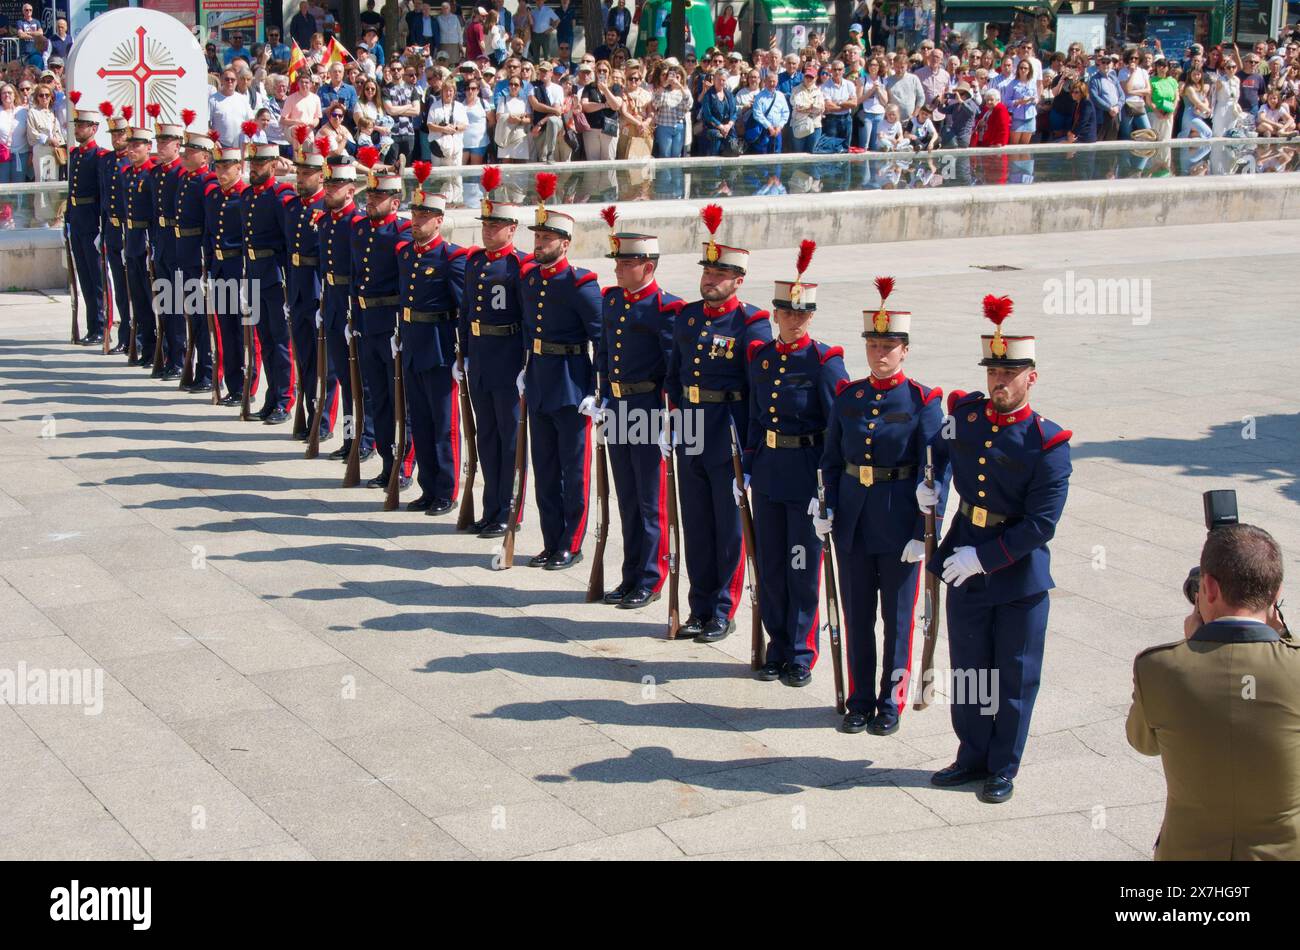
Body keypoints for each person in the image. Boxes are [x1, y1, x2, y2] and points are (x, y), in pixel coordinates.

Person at [919, 295, 1072, 805]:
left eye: (1011, 372)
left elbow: (1040, 526)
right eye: (993, 371)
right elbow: (939, 449)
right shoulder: (966, 415)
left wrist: (982, 559)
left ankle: (1002, 766)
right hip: (964, 553)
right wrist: (932, 487)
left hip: (1015, 575)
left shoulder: (1048, 444)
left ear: (1032, 376)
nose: (999, 382)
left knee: (1013, 675)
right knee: (968, 669)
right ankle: (971, 756)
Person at [1126, 524, 1299, 860]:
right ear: (1276, 594)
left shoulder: (1159, 668)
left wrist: (1192, 646)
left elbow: (1143, 742)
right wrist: (1284, 637)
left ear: (1207, 586)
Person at [818, 279, 944, 731]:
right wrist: (826, 505)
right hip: (852, 521)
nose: (880, 353)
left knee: (897, 619)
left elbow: (935, 471)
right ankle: (858, 699)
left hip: (898, 524)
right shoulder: (849, 397)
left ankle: (890, 703)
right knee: (856, 615)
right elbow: (832, 460)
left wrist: (923, 530)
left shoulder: (923, 400)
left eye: (889, 345)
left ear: (905, 350)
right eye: (873, 345)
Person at [662, 208, 772, 643]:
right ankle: (698, 605)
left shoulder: (751, 323)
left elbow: (758, 391)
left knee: (728, 527)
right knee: (695, 524)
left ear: (738, 280)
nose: (710, 279)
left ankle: (722, 609)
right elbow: (675, 373)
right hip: (690, 427)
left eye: (720, 273)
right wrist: (669, 419)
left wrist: (748, 447)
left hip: (726, 433)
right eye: (707, 271)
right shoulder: (688, 317)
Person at [740, 246, 847, 687]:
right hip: (767, 473)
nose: (795, 320)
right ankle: (777, 644)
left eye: (803, 313)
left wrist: (830, 487)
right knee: (770, 565)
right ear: (776, 314)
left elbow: (838, 428)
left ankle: (802, 650)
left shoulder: (825, 362)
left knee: (802, 567)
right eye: (788, 312)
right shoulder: (762, 358)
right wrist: (746, 466)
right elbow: (752, 415)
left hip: (805, 475)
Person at [592, 219, 681, 608]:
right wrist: (599, 399)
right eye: (617, 262)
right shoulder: (611, 300)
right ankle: (630, 575)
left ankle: (650, 576)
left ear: (647, 266)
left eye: (626, 263)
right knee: (626, 496)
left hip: (646, 409)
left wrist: (669, 417)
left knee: (649, 501)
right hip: (616, 407)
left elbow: (671, 370)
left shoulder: (666, 308)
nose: (617, 268)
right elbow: (605, 353)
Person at [516, 179, 602, 570]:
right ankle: (551, 541)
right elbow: (527, 329)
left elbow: (602, 339)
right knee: (546, 470)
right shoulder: (531, 278)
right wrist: (525, 369)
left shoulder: (580, 284)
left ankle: (572, 541)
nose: (540, 243)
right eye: (538, 236)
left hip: (571, 386)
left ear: (565, 243)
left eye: (548, 237)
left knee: (573, 469)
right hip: (539, 382)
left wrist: (595, 388)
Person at [457, 175, 528, 536]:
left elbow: (530, 320)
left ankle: (509, 509)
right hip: (481, 360)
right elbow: (466, 312)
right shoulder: (474, 263)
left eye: (496, 225)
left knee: (510, 439)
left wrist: (526, 365)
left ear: (512, 229)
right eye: (486, 224)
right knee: (486, 437)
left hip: (508, 359)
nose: (488, 231)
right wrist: (464, 355)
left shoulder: (520, 266)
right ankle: (490, 507)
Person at [394, 165, 467, 514]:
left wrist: (461, 353)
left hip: (439, 350)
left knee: (444, 425)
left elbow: (463, 310)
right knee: (419, 422)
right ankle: (427, 486)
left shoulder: (451, 258)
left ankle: (447, 489)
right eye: (414, 214)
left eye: (424, 216)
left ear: (439, 220)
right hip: (412, 346)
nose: (416, 221)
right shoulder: (406, 255)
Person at [318, 155, 373, 462]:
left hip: (353, 306)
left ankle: (366, 439)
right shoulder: (325, 221)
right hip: (333, 304)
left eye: (335, 184)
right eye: (327, 183)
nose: (328, 189)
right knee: (343, 376)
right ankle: (350, 436)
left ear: (351, 190)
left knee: (361, 379)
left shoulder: (357, 224)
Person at [240, 143, 296, 424]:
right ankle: (272, 396)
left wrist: (287, 280)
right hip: (254, 273)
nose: (254, 168)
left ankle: (285, 399)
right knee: (265, 339)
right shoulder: (249, 195)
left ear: (273, 166)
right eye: (252, 163)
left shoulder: (280, 196)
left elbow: (288, 242)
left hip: (275, 276)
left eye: (260, 164)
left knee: (281, 340)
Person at [282, 136, 328, 441]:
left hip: (318, 292)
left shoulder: (325, 208)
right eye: (298, 174)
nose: (300, 179)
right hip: (298, 289)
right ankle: (309, 411)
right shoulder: (293, 207)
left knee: (327, 365)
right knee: (304, 358)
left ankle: (322, 420)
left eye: (306, 174)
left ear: (320, 176)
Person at [172, 125, 218, 394]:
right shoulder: (187, 179)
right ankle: (199, 368)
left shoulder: (206, 183)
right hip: (185, 254)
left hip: (199, 258)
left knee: (204, 318)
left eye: (192, 151)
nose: (186, 155)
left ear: (205, 156)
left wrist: (206, 260)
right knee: (193, 316)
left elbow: (209, 226)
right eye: (186, 150)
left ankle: (208, 371)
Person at [66, 102, 108, 346]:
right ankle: (92, 326)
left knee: (95, 278)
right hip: (78, 220)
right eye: (77, 125)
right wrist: (69, 219)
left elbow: (102, 193)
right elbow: (71, 189)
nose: (78, 129)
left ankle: (100, 326)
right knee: (83, 276)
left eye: (82, 125)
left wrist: (101, 226)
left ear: (94, 128)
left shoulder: (98, 156)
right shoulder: (75, 154)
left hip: (92, 221)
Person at [149, 117, 186, 380]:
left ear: (177, 145)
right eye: (159, 141)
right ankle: (170, 356)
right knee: (165, 304)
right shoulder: (156, 173)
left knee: (177, 303)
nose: (160, 146)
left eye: (166, 142)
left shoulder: (180, 174)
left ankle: (180, 357)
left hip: (176, 245)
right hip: (161, 243)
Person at [121, 125, 158, 366]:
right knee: (139, 300)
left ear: (148, 148)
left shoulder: (152, 175)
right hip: (132, 240)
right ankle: (147, 348)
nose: (132, 149)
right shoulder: (128, 174)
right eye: (130, 145)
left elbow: (157, 212)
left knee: (153, 298)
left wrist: (151, 245)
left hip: (146, 241)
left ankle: (160, 349)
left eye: (137, 145)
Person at [581, 61, 623, 161]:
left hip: (610, 128)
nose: (602, 73)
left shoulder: (615, 87)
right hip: (592, 129)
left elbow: (616, 106)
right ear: (596, 72)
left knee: (608, 161)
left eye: (605, 70)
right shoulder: (589, 87)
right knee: (592, 161)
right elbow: (585, 106)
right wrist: (604, 105)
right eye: (599, 70)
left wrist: (605, 90)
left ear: (609, 72)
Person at [652, 64, 692, 157]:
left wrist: (680, 86)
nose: (674, 79)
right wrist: (665, 84)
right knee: (665, 155)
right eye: (671, 76)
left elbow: (689, 105)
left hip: (679, 127)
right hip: (664, 126)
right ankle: (665, 172)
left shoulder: (685, 90)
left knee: (676, 155)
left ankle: (675, 172)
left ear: (681, 78)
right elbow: (655, 103)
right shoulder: (663, 90)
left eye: (677, 77)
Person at [24, 83, 61, 182]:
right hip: (40, 149)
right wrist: (49, 140)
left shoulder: (52, 113)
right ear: (37, 97)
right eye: (41, 95)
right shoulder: (33, 112)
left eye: (47, 95)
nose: (44, 97)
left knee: (53, 181)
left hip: (53, 151)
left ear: (51, 97)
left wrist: (58, 140)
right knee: (41, 181)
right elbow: (32, 133)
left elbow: (57, 132)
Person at [745, 70, 789, 155]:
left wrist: (780, 127)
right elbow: (757, 114)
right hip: (763, 132)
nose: (772, 84)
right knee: (763, 159)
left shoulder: (780, 96)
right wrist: (769, 127)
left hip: (777, 132)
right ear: (765, 82)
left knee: (777, 157)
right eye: (770, 81)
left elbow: (785, 113)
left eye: (774, 81)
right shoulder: (759, 96)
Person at [426, 80, 468, 166]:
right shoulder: (434, 106)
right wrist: (443, 129)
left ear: (454, 92)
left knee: (456, 178)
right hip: (438, 150)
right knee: (437, 178)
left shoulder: (460, 107)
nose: (448, 93)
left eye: (450, 91)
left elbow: (465, 125)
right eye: (445, 90)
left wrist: (454, 128)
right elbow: (429, 124)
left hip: (455, 151)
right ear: (442, 92)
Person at [209, 69, 253, 147]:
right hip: (220, 145)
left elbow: (250, 121)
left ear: (237, 82)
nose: (230, 81)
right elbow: (207, 124)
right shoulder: (212, 100)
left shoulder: (243, 99)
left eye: (233, 79)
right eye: (227, 79)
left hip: (241, 146)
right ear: (221, 80)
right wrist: (214, 140)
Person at [699, 68, 737, 156]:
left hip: (728, 128)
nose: (721, 82)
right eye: (718, 79)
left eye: (723, 80)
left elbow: (734, 113)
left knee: (733, 143)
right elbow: (708, 115)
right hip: (712, 128)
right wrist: (721, 127)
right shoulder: (708, 95)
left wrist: (728, 125)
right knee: (716, 137)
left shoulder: (729, 95)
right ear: (714, 79)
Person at [790, 66, 825, 152]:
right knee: (798, 155)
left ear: (816, 78)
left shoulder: (819, 91)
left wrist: (806, 107)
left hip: (815, 126)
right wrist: (813, 106)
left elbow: (821, 108)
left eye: (811, 77)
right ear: (803, 77)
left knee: (813, 154)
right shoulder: (796, 90)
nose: (809, 79)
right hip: (799, 124)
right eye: (807, 76)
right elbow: (798, 106)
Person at [1088, 54, 1122, 140]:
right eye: (1103, 62)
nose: (1105, 65)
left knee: (1112, 143)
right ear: (1099, 64)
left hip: (1115, 115)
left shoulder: (1114, 78)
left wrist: (1118, 107)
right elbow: (1094, 97)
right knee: (1099, 143)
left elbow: (1122, 95)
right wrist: (1109, 108)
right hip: (1102, 116)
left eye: (1108, 62)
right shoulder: (1094, 79)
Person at [1006, 60, 1037, 144]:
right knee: (1014, 146)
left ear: (1029, 70)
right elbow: (1006, 101)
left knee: (1025, 146)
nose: (1023, 70)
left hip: (1030, 117)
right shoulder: (1012, 83)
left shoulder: (1032, 82)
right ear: (1018, 69)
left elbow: (1036, 98)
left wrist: (1033, 100)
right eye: (1021, 68)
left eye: (1025, 68)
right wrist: (1019, 101)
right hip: (1017, 117)